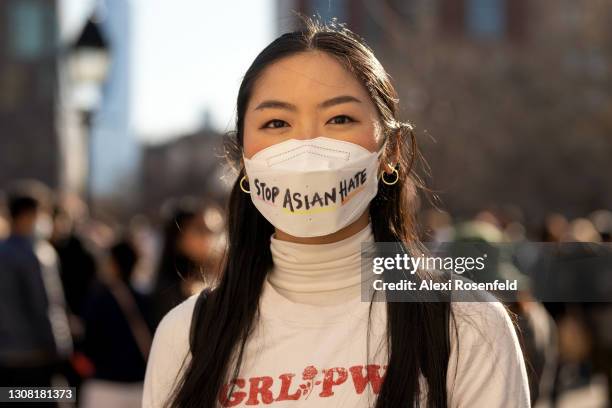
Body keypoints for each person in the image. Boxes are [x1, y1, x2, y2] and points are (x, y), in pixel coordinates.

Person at [143, 18, 530, 408]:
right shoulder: (186, 337)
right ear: (242, 159)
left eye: (339, 119)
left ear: (390, 151)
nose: (307, 146)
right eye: (277, 123)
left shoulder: (467, 327)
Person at [0, 181, 72, 406]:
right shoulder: (39, 254)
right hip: (36, 357)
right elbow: (46, 306)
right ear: (29, 215)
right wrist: (62, 348)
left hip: (6, 356)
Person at [79, 239, 154, 408]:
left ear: (113, 262)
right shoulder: (147, 300)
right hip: (138, 387)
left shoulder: (98, 298)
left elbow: (87, 340)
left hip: (103, 386)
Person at [150, 197, 221, 328]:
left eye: (211, 231)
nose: (208, 237)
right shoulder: (169, 290)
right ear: (178, 237)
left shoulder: (217, 273)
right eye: (199, 230)